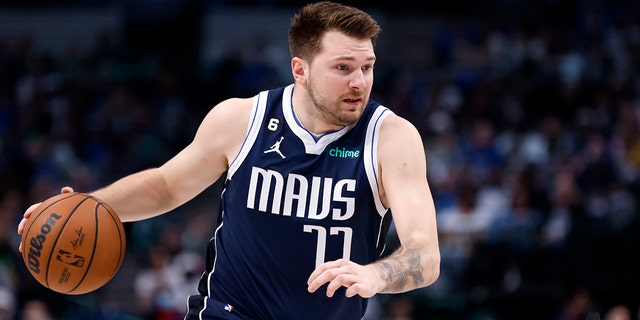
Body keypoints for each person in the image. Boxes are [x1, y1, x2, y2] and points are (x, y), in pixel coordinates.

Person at [17, 1, 440, 319]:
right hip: (226, 312)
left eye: (367, 67)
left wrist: (376, 276)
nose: (358, 81)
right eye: (343, 67)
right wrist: (86, 206)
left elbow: (425, 252)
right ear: (301, 69)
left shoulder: (391, 138)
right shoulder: (242, 119)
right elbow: (166, 185)